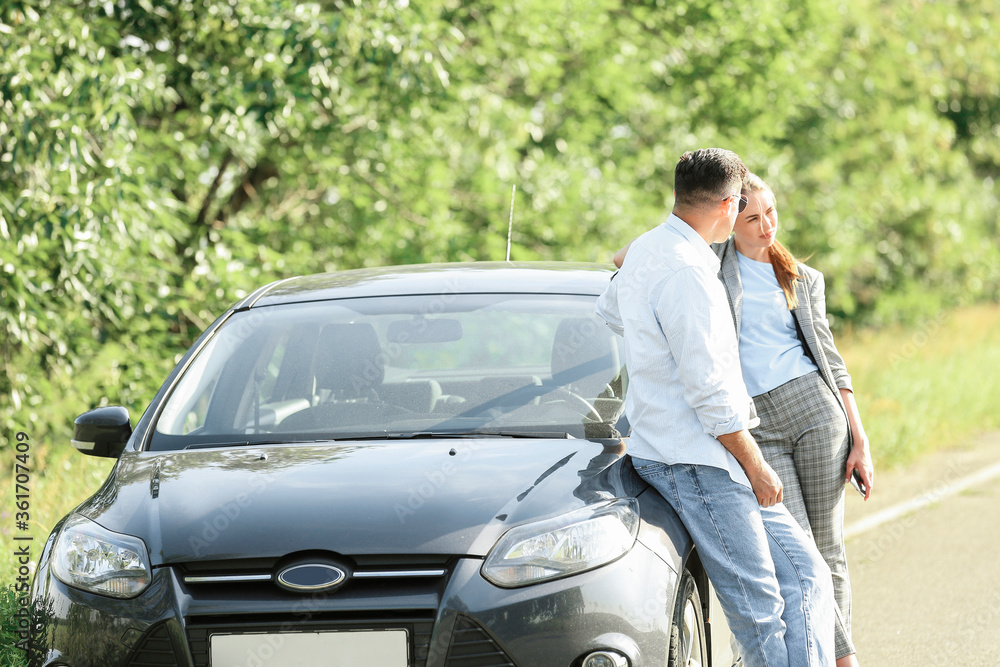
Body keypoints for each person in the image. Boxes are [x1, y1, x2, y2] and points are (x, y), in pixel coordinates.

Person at [613, 172, 873, 667]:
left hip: (809, 411)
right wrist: (680, 224)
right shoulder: (701, 262)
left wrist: (859, 437)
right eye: (751, 215)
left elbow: (830, 358)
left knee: (822, 557)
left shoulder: (799, 276)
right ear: (730, 212)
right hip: (746, 431)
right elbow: (626, 265)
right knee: (782, 579)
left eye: (770, 212)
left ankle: (843, 659)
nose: (765, 224)